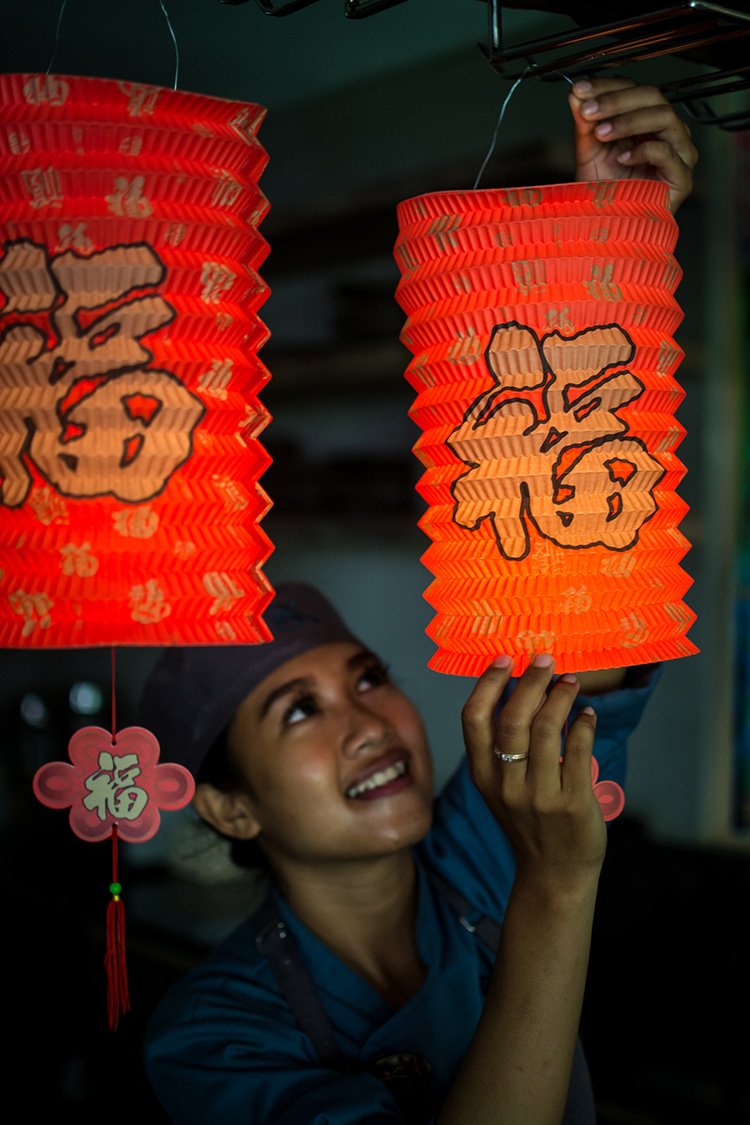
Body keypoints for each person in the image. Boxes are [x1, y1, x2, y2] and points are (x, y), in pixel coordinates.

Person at [141, 78, 697, 1124]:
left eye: (367, 678)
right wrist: (558, 891)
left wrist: (603, 247)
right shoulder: (213, 1041)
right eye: (297, 711)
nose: (368, 722)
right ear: (228, 807)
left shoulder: (478, 848)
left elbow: (592, 672)